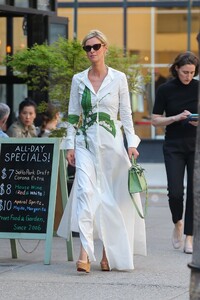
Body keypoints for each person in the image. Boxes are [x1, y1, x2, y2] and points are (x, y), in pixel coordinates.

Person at [57, 29, 146, 273]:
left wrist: (132, 144)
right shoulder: (79, 79)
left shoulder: (118, 78)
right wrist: (69, 145)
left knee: (110, 199)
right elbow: (73, 115)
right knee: (86, 193)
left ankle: (107, 252)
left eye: (96, 46)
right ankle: (84, 254)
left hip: (113, 146)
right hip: (86, 144)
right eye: (88, 48)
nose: (92, 51)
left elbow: (126, 114)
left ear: (105, 48)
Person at [152, 51, 199, 254]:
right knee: (175, 192)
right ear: (177, 69)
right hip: (173, 145)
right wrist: (176, 117)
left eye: (192, 72)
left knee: (195, 193)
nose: (188, 76)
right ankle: (177, 222)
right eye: (185, 72)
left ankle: (190, 237)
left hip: (196, 145)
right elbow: (155, 120)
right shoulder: (165, 89)